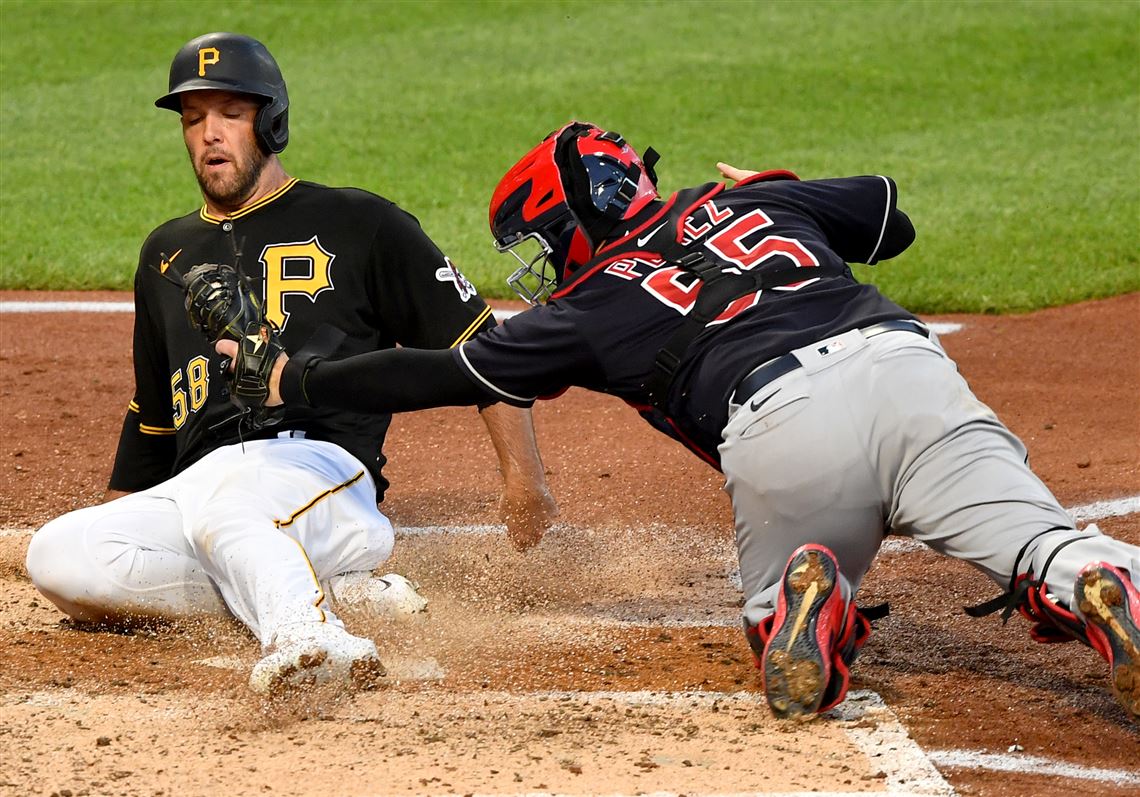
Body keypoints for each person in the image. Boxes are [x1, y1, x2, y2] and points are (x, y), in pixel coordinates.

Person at [222, 120, 1139, 721]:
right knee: (1042, 541)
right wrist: (779, 185)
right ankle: (1095, 579)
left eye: (542, 242)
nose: (542, 265)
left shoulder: (588, 304)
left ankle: (802, 596)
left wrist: (300, 380)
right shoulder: (753, 199)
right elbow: (889, 219)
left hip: (782, 423)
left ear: (577, 216)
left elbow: (442, 372)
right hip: (905, 365)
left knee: (776, 597)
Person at [24, 32, 556, 694]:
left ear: (271, 120)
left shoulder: (361, 222)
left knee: (234, 509)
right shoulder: (163, 253)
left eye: (230, 115)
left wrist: (524, 479)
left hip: (321, 470)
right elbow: (154, 415)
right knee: (59, 555)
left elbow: (478, 343)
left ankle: (313, 635)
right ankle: (330, 591)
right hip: (199, 489)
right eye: (193, 120)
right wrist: (124, 520)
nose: (209, 135)